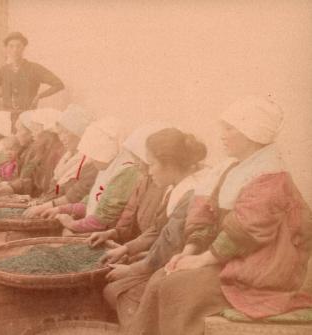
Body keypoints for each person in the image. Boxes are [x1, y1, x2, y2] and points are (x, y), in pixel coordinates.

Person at [125, 96, 312, 335]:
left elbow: (244, 232)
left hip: (264, 267)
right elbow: (204, 213)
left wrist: (202, 260)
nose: (222, 135)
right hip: (236, 259)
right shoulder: (232, 169)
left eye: (230, 128)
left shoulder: (271, 176)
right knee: (162, 276)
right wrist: (188, 251)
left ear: (251, 132)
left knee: (179, 288)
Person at [99, 127, 208, 327]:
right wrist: (126, 248)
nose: (149, 171)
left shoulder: (191, 193)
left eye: (151, 164)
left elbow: (168, 245)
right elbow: (158, 229)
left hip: (187, 267)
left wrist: (131, 270)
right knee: (111, 288)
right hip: (168, 259)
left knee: (120, 293)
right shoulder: (174, 187)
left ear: (170, 163)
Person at [46, 118, 143, 236]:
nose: (90, 160)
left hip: (105, 236)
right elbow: (92, 200)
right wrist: (61, 209)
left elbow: (103, 219)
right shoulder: (108, 166)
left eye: (94, 155)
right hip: (93, 231)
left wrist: (71, 224)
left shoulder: (126, 171)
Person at [86, 123, 174, 250]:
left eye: (140, 160)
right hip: (136, 246)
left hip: (150, 252)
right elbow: (128, 217)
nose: (137, 165)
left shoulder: (166, 188)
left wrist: (130, 253)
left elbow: (158, 234)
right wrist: (111, 233)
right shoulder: (143, 182)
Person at [23, 105, 98, 217]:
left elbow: (75, 195)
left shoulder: (90, 162)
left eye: (66, 133)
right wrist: (43, 201)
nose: (62, 138)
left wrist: (45, 205)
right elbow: (57, 188)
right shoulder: (67, 158)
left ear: (80, 134)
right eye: (60, 133)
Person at [0, 32, 65, 125]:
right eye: (11, 46)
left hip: (28, 116)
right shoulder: (3, 70)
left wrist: (39, 96)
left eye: (18, 46)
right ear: (6, 49)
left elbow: (58, 84)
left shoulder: (34, 68)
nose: (15, 50)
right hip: (7, 117)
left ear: (23, 48)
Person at [0, 108, 65, 199]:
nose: (33, 134)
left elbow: (53, 190)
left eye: (36, 130)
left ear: (48, 133)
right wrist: (7, 186)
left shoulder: (56, 155)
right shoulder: (40, 152)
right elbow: (31, 182)